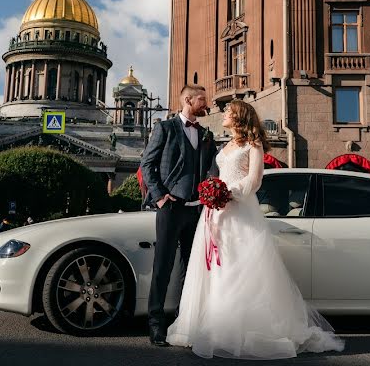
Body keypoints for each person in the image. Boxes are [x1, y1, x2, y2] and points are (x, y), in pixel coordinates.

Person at [166, 100, 344, 359]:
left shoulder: (254, 144)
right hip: (216, 213)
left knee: (239, 268)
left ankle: (240, 330)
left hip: (240, 210)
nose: (224, 114)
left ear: (239, 116)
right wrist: (213, 192)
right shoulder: (225, 144)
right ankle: (212, 326)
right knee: (217, 268)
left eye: (228, 112)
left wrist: (229, 193)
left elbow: (255, 179)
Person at [141, 84, 216, 347]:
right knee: (163, 266)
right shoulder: (165, 128)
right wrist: (160, 196)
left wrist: (211, 187)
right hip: (171, 209)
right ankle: (155, 324)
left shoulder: (207, 133)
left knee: (190, 267)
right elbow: (147, 164)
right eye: (202, 100)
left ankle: (182, 321)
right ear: (188, 100)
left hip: (197, 210)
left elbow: (210, 167)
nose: (206, 104)